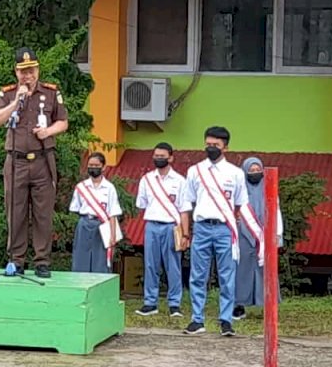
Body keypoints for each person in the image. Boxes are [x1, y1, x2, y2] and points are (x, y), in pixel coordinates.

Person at [0, 47, 69, 278]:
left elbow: (63, 121)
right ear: (16, 72)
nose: (28, 76)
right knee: (15, 211)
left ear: (38, 69)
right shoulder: (7, 94)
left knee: (43, 213)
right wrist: (15, 103)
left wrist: (48, 131)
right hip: (16, 162)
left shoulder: (51, 93)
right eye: (23, 72)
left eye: (31, 70)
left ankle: (42, 261)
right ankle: (16, 260)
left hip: (43, 160)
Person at [183, 126, 248, 337]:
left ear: (225, 147)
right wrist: (186, 232)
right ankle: (197, 319)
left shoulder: (236, 173)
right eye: (208, 144)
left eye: (216, 145)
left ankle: (226, 320)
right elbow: (186, 203)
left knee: (227, 276)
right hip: (201, 228)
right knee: (197, 276)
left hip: (224, 229)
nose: (211, 148)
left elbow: (240, 205)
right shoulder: (195, 171)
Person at [135, 143, 192, 318]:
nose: (158, 159)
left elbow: (184, 209)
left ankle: (174, 304)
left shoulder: (180, 181)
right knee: (151, 265)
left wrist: (185, 233)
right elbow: (141, 204)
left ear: (171, 157)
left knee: (173, 265)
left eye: (162, 156)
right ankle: (150, 302)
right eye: (156, 156)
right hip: (152, 225)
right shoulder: (147, 179)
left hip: (171, 226)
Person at [234, 157, 283, 319]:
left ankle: (269, 306)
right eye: (251, 170)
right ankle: (239, 305)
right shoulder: (239, 189)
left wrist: (277, 236)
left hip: (265, 235)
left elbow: (276, 212)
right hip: (243, 235)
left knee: (267, 270)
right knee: (242, 270)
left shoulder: (269, 188)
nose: (255, 173)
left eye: (257, 170)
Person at [69, 152, 122, 273]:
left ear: (103, 167)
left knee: (101, 260)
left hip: (103, 225)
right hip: (84, 223)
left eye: (96, 165)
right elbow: (75, 209)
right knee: (80, 258)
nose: (93, 168)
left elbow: (113, 213)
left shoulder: (109, 188)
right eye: (90, 165)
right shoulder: (81, 187)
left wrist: (112, 235)